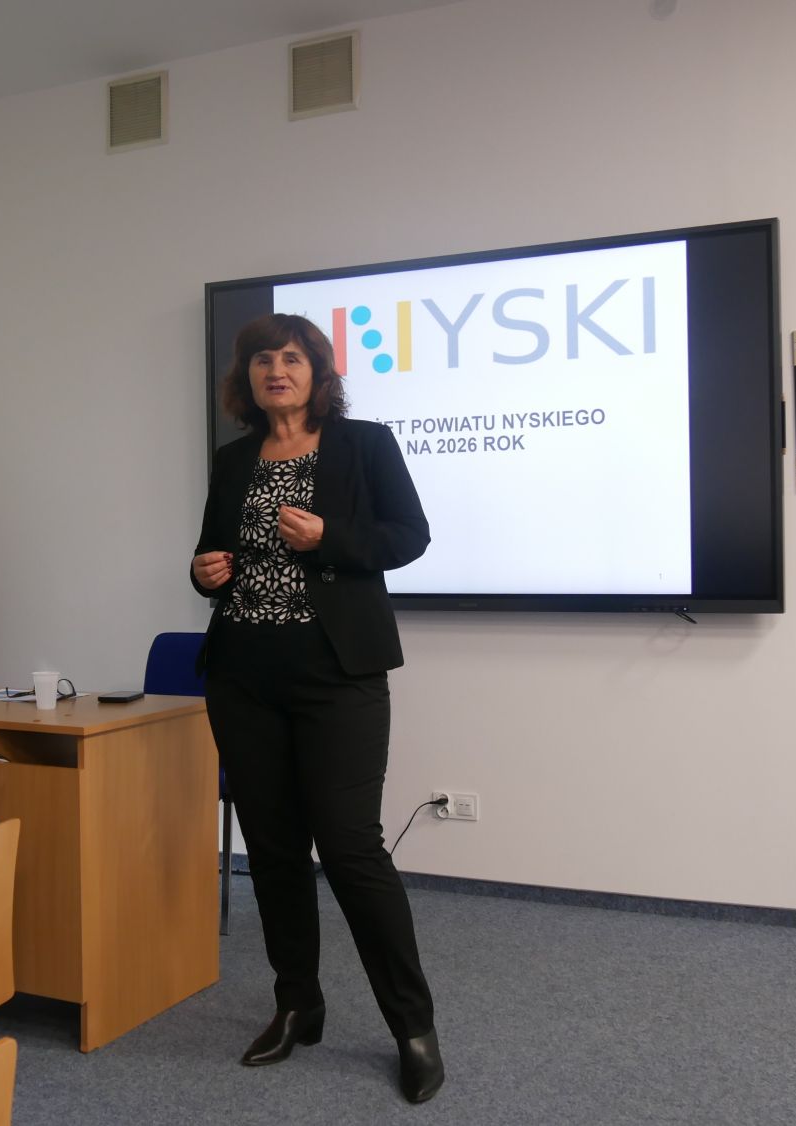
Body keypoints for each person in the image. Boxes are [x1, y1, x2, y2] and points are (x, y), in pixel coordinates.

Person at [190, 312, 444, 1103]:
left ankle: (412, 1025)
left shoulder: (364, 445)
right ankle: (298, 1003)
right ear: (247, 377)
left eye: (293, 358)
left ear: (318, 372)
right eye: (263, 358)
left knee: (350, 848)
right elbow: (211, 556)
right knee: (271, 850)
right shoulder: (234, 459)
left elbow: (410, 536)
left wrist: (328, 537)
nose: (277, 369)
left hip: (338, 675)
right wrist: (202, 573)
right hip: (243, 675)